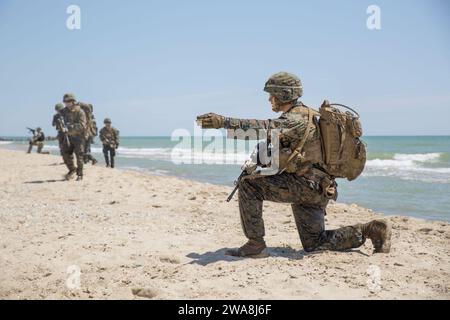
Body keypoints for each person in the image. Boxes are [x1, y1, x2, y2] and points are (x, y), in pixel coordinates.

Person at [197, 72, 391, 257]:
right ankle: (369, 230)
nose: (269, 99)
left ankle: (255, 245)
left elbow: (262, 128)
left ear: (283, 95)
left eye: (272, 95)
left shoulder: (296, 118)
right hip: (319, 189)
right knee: (315, 243)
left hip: (305, 186)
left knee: (249, 185)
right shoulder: (307, 115)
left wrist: (224, 122)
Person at [61, 93, 87, 181]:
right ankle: (72, 169)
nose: (66, 103)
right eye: (65, 101)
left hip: (78, 137)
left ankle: (80, 174)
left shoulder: (80, 111)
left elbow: (82, 126)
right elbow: (59, 118)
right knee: (65, 154)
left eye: (68, 101)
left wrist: (70, 127)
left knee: (79, 156)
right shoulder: (64, 111)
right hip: (68, 137)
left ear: (73, 101)